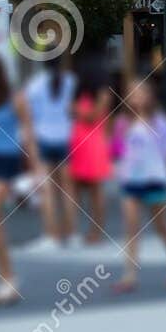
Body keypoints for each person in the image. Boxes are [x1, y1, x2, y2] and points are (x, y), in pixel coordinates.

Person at [112, 80, 166, 293]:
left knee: (161, 226)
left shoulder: (159, 122)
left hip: (155, 179)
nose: (136, 97)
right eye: (132, 93)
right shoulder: (123, 122)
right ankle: (129, 274)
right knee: (131, 228)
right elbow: (117, 151)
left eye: (140, 93)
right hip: (131, 181)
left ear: (150, 95)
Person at [21, 61, 77, 253]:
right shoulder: (70, 81)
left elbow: (30, 118)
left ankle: (51, 236)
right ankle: (71, 234)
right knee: (68, 190)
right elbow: (72, 110)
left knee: (48, 191)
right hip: (65, 137)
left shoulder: (34, 85)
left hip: (43, 138)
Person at [0, 59, 33, 306]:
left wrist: (37, 165)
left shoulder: (15, 97)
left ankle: (10, 278)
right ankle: (8, 277)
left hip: (8, 162)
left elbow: (28, 133)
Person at [67, 62, 114, 245]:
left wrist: (78, 111)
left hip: (91, 142)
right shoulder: (95, 94)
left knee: (94, 190)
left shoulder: (98, 94)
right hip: (87, 142)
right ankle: (75, 231)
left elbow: (91, 116)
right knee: (79, 190)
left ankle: (94, 233)